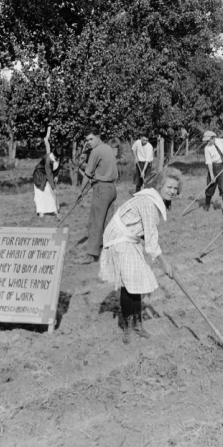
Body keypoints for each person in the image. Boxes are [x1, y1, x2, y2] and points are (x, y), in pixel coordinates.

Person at [99, 167, 181, 343]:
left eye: (175, 188)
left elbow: (145, 231)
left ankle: (138, 324)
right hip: (119, 238)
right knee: (129, 284)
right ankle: (128, 327)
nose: (173, 191)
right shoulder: (148, 203)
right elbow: (151, 239)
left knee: (136, 281)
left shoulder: (153, 200)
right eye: (169, 187)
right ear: (159, 186)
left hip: (129, 237)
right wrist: (164, 262)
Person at [76, 127, 119, 264]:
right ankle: (109, 253)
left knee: (95, 222)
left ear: (98, 136)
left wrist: (80, 191)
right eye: (87, 140)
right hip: (112, 189)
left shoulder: (95, 151)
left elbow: (88, 173)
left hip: (102, 189)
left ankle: (91, 254)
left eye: (91, 139)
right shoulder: (108, 148)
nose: (88, 142)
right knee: (108, 223)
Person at [202, 130, 223, 215]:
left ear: (213, 138)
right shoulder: (207, 148)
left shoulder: (222, 141)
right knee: (210, 187)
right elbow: (209, 162)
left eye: (209, 140)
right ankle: (207, 206)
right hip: (213, 167)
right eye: (206, 141)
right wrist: (212, 175)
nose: (208, 142)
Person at [32, 127, 60, 218]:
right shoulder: (48, 159)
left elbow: (57, 168)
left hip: (48, 173)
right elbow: (49, 173)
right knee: (41, 191)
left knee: (49, 192)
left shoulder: (59, 157)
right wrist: (54, 187)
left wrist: (57, 176)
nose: (58, 159)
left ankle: (53, 210)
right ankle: (40, 211)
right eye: (56, 157)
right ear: (54, 154)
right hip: (40, 174)